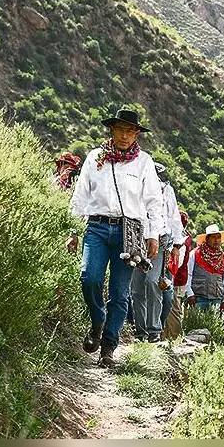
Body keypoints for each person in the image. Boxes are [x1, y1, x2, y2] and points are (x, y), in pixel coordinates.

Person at [67, 109, 164, 367]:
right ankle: (98, 321)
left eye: (130, 131)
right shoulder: (95, 158)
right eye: (120, 129)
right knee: (89, 277)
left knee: (120, 293)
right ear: (111, 130)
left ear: (136, 134)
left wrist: (153, 235)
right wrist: (73, 230)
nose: (124, 135)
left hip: (129, 233)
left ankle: (108, 347)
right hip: (97, 227)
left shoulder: (144, 162)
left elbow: (154, 201)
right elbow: (80, 196)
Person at [131, 161, 184, 343]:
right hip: (135, 239)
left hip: (159, 240)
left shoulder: (165, 190)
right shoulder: (132, 188)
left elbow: (173, 216)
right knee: (136, 287)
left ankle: (153, 329)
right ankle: (140, 331)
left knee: (153, 281)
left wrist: (177, 244)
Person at [185, 224, 224, 313]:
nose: (216, 240)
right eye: (213, 237)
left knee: (213, 326)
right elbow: (188, 274)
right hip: (197, 298)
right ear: (207, 239)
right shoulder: (195, 254)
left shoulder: (223, 258)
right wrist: (189, 294)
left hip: (217, 299)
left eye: (218, 237)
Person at [162, 211, 193, 340]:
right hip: (178, 280)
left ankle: (174, 337)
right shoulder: (184, 237)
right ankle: (168, 336)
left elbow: (177, 264)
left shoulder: (181, 241)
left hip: (176, 280)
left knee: (173, 309)